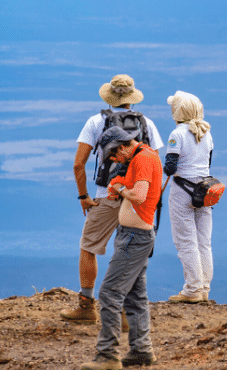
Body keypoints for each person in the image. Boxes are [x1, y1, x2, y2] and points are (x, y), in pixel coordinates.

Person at [61, 75, 163, 327]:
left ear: (109, 96)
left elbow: (78, 164)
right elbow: (153, 162)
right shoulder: (147, 123)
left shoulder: (96, 121)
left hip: (105, 195)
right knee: (129, 250)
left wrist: (84, 196)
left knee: (89, 247)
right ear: (131, 98)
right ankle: (126, 314)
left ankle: (86, 306)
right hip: (137, 197)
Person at [80, 126, 163, 370]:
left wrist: (119, 189)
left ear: (124, 145)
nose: (114, 159)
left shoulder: (143, 160)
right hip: (134, 236)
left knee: (109, 293)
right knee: (135, 296)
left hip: (134, 238)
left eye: (115, 154)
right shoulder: (144, 155)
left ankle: (108, 356)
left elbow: (139, 194)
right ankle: (141, 350)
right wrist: (118, 184)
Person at [164, 91, 214, 303]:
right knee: (204, 241)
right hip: (205, 190)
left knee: (185, 241)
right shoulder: (206, 133)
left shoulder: (177, 134)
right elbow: (208, 162)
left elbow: (170, 167)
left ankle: (192, 289)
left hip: (182, 191)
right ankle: (203, 287)